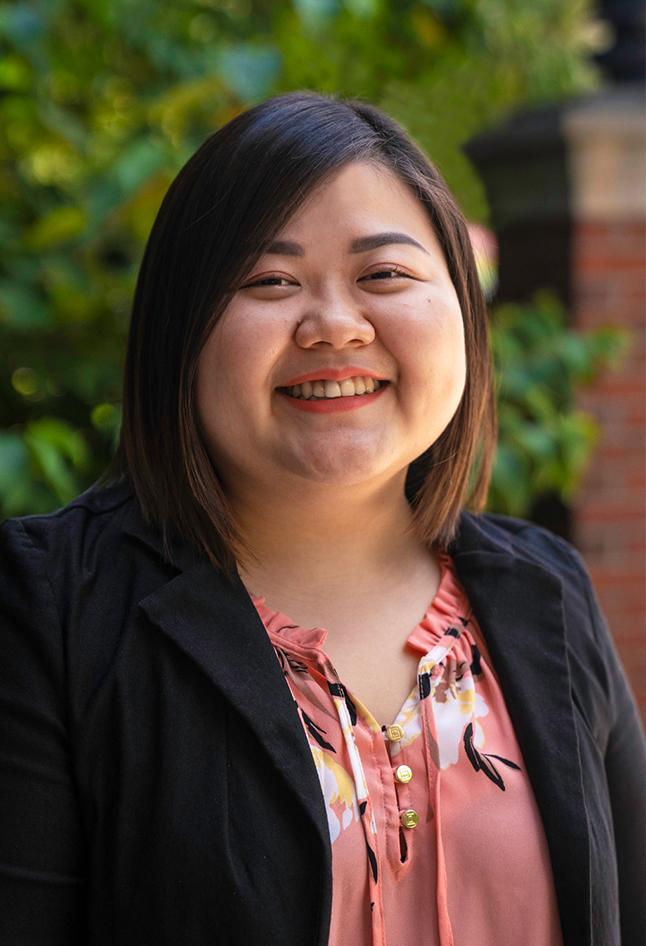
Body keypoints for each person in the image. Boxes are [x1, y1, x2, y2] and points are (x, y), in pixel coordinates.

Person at [1, 90, 644, 946]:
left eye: (384, 275)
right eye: (270, 281)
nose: (336, 326)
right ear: (178, 329)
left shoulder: (546, 590)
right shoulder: (47, 609)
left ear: (462, 308)